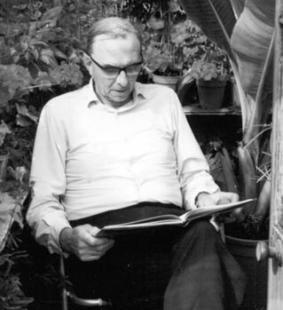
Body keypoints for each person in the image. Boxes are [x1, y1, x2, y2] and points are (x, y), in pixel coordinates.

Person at [26, 17, 246, 310]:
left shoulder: (164, 100)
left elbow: (192, 173)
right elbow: (42, 203)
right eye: (110, 69)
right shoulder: (60, 113)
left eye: (132, 68)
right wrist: (67, 238)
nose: (122, 80)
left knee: (203, 234)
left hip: (170, 232)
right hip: (104, 243)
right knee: (209, 270)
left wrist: (208, 197)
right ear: (87, 62)